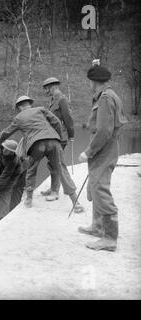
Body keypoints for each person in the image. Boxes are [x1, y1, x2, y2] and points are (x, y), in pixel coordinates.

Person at [77, 62, 127, 251]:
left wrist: (88, 151)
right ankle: (98, 227)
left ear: (94, 81)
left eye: (89, 81)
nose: (88, 84)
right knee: (95, 186)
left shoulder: (105, 98)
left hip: (104, 148)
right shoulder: (107, 95)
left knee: (100, 189)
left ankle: (110, 239)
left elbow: (104, 131)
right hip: (106, 148)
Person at [0, 95, 63, 208]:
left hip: (37, 144)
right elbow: (57, 122)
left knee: (32, 170)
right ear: (30, 104)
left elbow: (8, 132)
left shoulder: (19, 117)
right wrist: (58, 137)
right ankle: (54, 192)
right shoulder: (41, 109)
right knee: (56, 166)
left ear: (19, 107)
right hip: (54, 141)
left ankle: (29, 199)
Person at [41, 77, 84, 213]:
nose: (45, 91)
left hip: (61, 136)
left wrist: (71, 135)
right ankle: (54, 189)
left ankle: (57, 192)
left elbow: (68, 118)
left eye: (46, 88)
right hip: (52, 136)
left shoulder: (62, 99)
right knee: (52, 163)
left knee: (57, 163)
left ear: (53, 87)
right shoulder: (53, 100)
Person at [0, 140, 27, 221]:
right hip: (6, 171)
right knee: (1, 190)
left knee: (9, 191)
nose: (5, 151)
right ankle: (3, 215)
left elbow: (5, 177)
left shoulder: (14, 160)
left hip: (18, 173)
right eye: (5, 149)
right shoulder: (0, 150)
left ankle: (7, 218)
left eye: (9, 151)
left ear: (12, 152)